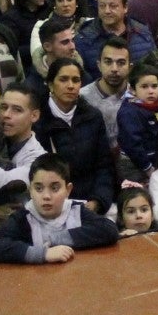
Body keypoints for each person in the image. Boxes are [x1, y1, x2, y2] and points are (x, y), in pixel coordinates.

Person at [0, 154, 118, 264]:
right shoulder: (23, 218)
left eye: (55, 188)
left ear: (68, 190)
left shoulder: (76, 210)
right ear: (30, 190)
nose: (46, 196)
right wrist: (42, 254)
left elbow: (109, 230)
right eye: (38, 188)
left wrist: (55, 239)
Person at [33, 58, 117, 215]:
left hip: (92, 203)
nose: (70, 86)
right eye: (63, 79)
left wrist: (97, 201)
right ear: (50, 84)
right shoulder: (38, 121)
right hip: (53, 205)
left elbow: (104, 166)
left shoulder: (93, 117)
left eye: (76, 80)